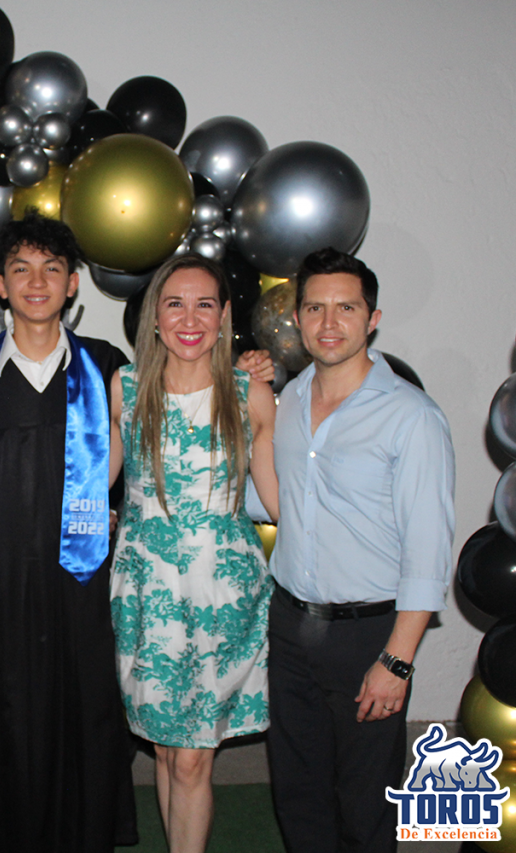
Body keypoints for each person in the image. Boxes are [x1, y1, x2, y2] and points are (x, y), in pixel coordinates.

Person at [0, 211, 137, 853]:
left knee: (81, 705)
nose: (36, 281)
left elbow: (150, 440)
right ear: (0, 284)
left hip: (75, 573)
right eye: (21, 268)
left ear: (72, 283)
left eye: (52, 268)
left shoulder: (105, 366)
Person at [266, 247, 455, 853]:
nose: (329, 323)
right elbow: (276, 502)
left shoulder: (412, 417)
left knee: (366, 803)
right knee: (298, 794)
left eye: (345, 308)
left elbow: (429, 550)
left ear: (372, 319)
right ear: (297, 317)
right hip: (290, 626)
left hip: (369, 635)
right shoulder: (290, 400)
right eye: (315, 308)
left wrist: (396, 661)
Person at [108, 254, 279, 853]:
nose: (189, 318)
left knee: (190, 758)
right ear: (154, 317)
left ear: (224, 316)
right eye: (175, 304)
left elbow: (282, 503)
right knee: (165, 749)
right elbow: (93, 486)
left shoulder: (250, 394)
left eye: (204, 304)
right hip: (146, 596)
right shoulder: (126, 388)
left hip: (222, 597)